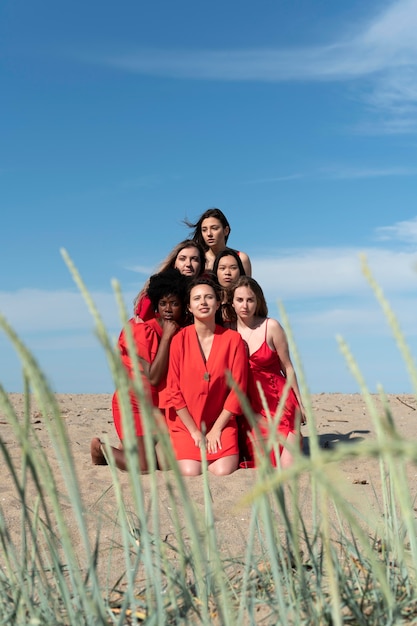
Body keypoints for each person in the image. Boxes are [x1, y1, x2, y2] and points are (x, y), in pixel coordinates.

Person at [91, 268, 188, 472]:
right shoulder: (142, 331)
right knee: (143, 466)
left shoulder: (184, 332)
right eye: (163, 304)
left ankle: (130, 448)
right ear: (156, 305)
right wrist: (168, 337)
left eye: (174, 303)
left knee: (167, 463)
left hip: (161, 408)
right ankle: (101, 449)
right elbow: (153, 376)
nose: (168, 309)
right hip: (134, 404)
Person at [166, 277, 248, 476]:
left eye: (209, 297)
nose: (203, 302)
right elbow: (174, 390)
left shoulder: (233, 340)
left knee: (222, 470)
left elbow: (239, 389)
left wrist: (217, 429)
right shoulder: (179, 340)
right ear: (189, 307)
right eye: (197, 299)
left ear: (218, 303)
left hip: (221, 421)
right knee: (190, 471)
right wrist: (194, 431)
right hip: (186, 424)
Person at [229, 276, 305, 469]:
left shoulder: (271, 326)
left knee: (288, 464)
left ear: (258, 302)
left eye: (250, 300)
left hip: (280, 401)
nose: (245, 305)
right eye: (240, 300)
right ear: (232, 302)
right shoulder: (228, 331)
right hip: (250, 406)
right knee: (264, 460)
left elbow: (287, 367)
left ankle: (295, 435)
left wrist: (301, 404)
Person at [134, 239, 206, 322]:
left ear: (201, 265)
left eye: (194, 259)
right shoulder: (158, 290)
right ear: (174, 263)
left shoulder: (208, 290)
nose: (188, 264)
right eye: (182, 259)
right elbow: (143, 324)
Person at [184, 208, 252, 276]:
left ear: (226, 231)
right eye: (204, 230)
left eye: (214, 228)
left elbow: (247, 285)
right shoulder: (198, 260)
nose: (209, 234)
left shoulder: (241, 258)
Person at [212, 248, 246, 323]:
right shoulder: (210, 300)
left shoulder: (248, 299)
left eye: (233, 268)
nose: (227, 272)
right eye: (222, 268)